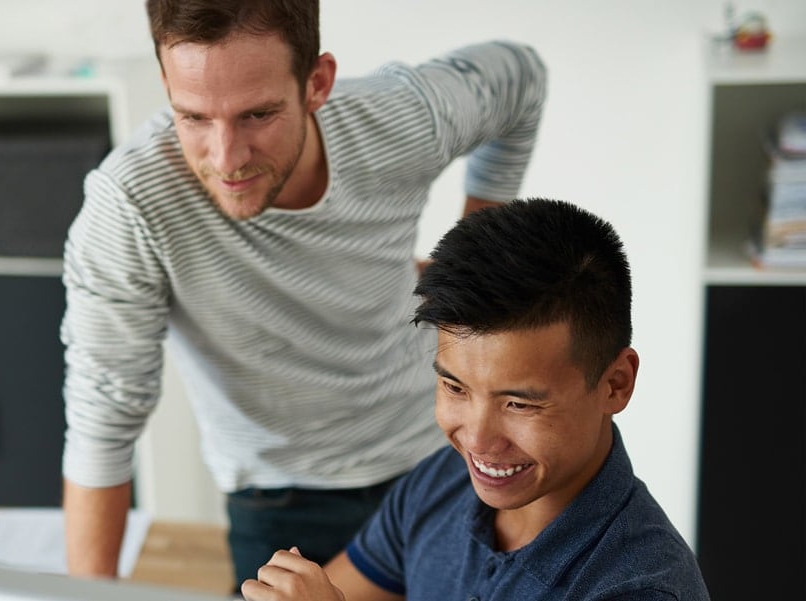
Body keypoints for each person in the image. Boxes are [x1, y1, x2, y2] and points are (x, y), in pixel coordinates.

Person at [60, 0, 547, 587]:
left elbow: (519, 77)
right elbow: (103, 420)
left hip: (438, 463)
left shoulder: (402, 119)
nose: (226, 157)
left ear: (317, 83)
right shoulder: (129, 206)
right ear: (167, 85)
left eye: (257, 115)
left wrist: (468, 263)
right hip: (280, 500)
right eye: (193, 117)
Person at [240, 198, 711, 600]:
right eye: (455, 388)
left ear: (616, 384)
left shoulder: (641, 587)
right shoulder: (439, 484)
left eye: (519, 404)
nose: (478, 441)